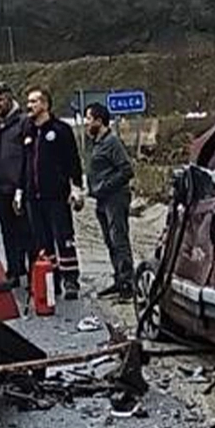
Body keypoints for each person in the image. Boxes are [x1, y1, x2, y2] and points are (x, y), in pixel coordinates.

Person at [23, 87, 84, 300]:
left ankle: (71, 280)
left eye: (34, 101)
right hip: (33, 197)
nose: (30, 106)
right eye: (28, 102)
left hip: (57, 195)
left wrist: (76, 187)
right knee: (42, 242)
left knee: (64, 238)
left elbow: (72, 161)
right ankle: (52, 280)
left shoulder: (60, 130)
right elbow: (24, 164)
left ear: (46, 105)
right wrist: (21, 191)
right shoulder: (28, 131)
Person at [0, 82, 33, 287]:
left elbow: (29, 155)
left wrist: (23, 183)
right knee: (7, 230)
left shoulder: (23, 122)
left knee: (25, 230)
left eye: (1, 99)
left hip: (18, 185)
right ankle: (13, 270)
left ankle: (31, 271)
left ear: (10, 98)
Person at [83, 103, 135, 302]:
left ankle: (127, 284)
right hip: (102, 200)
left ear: (99, 120)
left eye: (89, 119)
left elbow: (126, 170)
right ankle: (118, 279)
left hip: (115, 198)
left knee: (119, 240)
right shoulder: (96, 143)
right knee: (109, 241)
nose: (86, 123)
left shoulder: (112, 142)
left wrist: (105, 186)